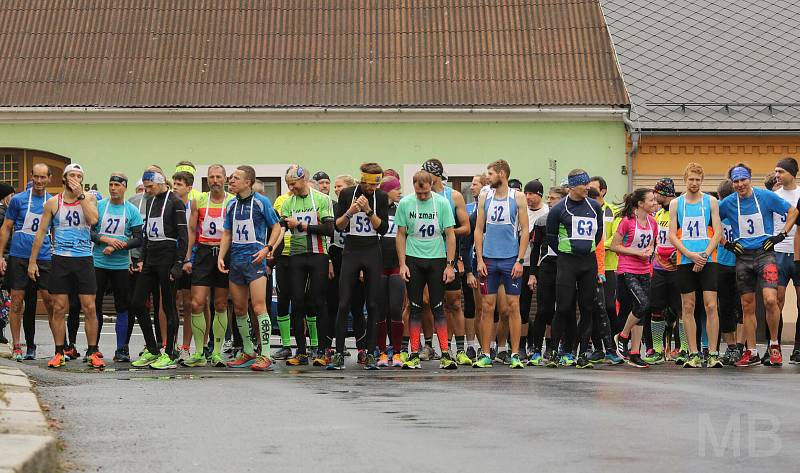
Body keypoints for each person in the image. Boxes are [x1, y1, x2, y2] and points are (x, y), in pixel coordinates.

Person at [719, 163, 797, 367]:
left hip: (766, 254)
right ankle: (751, 350)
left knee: (771, 300)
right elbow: (710, 222)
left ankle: (774, 345)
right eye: (735, 181)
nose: (739, 184)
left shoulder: (765, 196)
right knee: (747, 304)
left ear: (749, 178)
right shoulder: (727, 203)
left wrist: (780, 235)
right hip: (743, 257)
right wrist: (726, 243)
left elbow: (793, 212)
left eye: (743, 180)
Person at [28, 163, 102, 368]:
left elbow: (94, 220)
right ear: (64, 179)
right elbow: (41, 232)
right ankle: (59, 351)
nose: (75, 179)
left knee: (89, 307)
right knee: (59, 307)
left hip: (84, 259)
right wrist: (33, 261)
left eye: (79, 176)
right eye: (71, 175)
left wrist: (80, 197)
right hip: (60, 259)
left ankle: (93, 351)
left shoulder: (89, 198)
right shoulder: (53, 202)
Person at [219, 165, 283, 371]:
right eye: (231, 177)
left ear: (248, 182)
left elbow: (276, 227)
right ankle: (247, 351)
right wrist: (221, 256)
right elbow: (227, 233)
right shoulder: (230, 204)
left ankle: (265, 354)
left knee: (258, 307)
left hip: (255, 261)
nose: (231, 180)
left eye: (236, 178)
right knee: (239, 308)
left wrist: (268, 249)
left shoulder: (261, 202)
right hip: (236, 261)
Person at [328, 163, 389, 370]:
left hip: (372, 250)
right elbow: (337, 226)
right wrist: (351, 211)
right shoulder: (347, 194)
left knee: (372, 304)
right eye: (368, 184)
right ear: (362, 180)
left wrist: (369, 211)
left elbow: (383, 229)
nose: (371, 188)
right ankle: (338, 353)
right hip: (351, 250)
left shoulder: (380, 197)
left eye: (375, 185)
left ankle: (371, 352)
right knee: (343, 303)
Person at [395, 170, 457, 369]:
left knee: (439, 307)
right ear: (413, 186)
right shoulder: (405, 203)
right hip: (414, 259)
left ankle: (446, 353)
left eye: (425, 193)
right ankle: (413, 353)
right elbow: (401, 234)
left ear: (431, 185)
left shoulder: (441, 202)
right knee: (415, 307)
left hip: (437, 259)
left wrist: (450, 265)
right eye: (418, 193)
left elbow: (450, 234)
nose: (422, 196)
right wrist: (402, 263)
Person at [128, 169, 188, 369]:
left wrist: (179, 263)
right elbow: (146, 233)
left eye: (150, 187)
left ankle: (170, 353)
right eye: (145, 187)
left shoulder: (175, 202)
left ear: (161, 183)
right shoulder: (150, 200)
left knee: (168, 306)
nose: (147, 190)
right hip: (151, 255)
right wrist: (142, 259)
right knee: (137, 302)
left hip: (168, 254)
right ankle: (153, 349)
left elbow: (183, 235)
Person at [473, 159, 529, 369]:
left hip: (510, 259)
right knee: (487, 307)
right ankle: (486, 352)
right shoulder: (485, 195)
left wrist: (520, 260)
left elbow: (525, 230)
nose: (487, 177)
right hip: (489, 258)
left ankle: (515, 353)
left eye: (490, 173)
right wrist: (479, 259)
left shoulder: (518, 197)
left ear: (502, 174)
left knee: (512, 306)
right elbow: (479, 229)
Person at [666, 163, 723, 368]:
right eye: (691, 179)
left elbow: (718, 231)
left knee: (711, 305)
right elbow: (672, 234)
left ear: (702, 181)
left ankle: (714, 352)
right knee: (687, 306)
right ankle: (693, 352)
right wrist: (690, 254)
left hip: (708, 259)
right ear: (685, 179)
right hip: (685, 260)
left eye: (698, 180)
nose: (694, 183)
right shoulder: (676, 204)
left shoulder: (711, 201)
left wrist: (705, 255)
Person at [545, 169, 603, 369]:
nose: (588, 187)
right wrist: (566, 251)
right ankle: (554, 351)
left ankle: (582, 354)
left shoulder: (595, 206)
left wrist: (585, 249)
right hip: (567, 262)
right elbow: (551, 237)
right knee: (563, 307)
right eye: (583, 184)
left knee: (587, 308)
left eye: (588, 183)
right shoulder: (558, 209)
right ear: (572, 186)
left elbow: (598, 234)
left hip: (588, 262)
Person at [279, 165, 334, 366]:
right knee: (298, 302)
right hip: (296, 255)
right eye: (288, 184)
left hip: (318, 254)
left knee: (319, 302)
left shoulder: (321, 199)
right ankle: (301, 351)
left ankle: (321, 350)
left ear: (304, 180)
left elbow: (329, 229)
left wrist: (302, 226)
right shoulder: (287, 203)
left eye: (293, 184)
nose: (291, 188)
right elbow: (280, 229)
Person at [0, 165, 55, 362]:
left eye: (43, 177)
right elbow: (6, 228)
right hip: (19, 256)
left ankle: (59, 347)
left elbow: (58, 228)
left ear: (49, 178)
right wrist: (0, 256)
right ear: (31, 177)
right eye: (36, 177)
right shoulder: (18, 200)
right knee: (16, 301)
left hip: (44, 257)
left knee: (50, 300)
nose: (39, 181)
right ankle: (17, 346)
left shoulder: (53, 201)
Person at [182, 164, 235, 367]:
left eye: (218, 176)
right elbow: (192, 230)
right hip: (203, 252)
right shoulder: (199, 200)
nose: (215, 180)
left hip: (224, 254)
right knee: (197, 303)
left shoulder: (232, 201)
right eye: (211, 177)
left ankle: (217, 352)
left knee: (220, 304)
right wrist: (188, 257)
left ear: (225, 179)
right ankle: (199, 351)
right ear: (207, 180)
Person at [423, 159, 472, 365]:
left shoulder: (453, 195)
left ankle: (459, 348)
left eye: (427, 175)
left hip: (447, 257)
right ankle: (429, 345)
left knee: (453, 304)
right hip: (425, 257)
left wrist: (447, 231)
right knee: (426, 303)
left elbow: (466, 227)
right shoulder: (419, 197)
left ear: (436, 176)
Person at [91, 173, 143, 362]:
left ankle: (121, 348)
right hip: (98, 262)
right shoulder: (100, 206)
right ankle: (93, 347)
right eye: (111, 184)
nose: (113, 188)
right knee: (94, 305)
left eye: (117, 185)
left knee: (123, 306)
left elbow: (139, 238)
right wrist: (104, 240)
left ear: (125, 187)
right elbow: (89, 231)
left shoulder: (131, 210)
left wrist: (119, 245)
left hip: (121, 265)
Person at [611, 189, 658, 368]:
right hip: (627, 270)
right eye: (651, 200)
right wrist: (636, 252)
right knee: (643, 304)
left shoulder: (652, 222)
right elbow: (615, 246)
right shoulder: (627, 222)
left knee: (642, 311)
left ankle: (635, 352)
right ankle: (622, 336)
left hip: (645, 270)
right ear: (640, 203)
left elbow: (652, 243)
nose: (654, 203)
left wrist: (649, 252)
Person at [643, 178, 685, 364]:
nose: (654, 196)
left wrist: (680, 253)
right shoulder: (658, 214)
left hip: (677, 268)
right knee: (656, 309)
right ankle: (658, 350)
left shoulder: (679, 212)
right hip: (659, 268)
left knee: (682, 309)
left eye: (656, 193)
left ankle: (683, 348)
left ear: (665, 193)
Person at [527, 186, 568, 365]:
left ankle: (556, 348)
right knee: (544, 309)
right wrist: (532, 274)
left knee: (563, 309)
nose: (549, 201)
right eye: (549, 198)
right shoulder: (542, 221)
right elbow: (535, 250)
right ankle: (537, 349)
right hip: (546, 266)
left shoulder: (569, 220)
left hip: (566, 267)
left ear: (564, 200)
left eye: (554, 198)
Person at [770, 158, 800, 362]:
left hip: (797, 252)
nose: (777, 175)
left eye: (781, 171)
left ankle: (797, 347)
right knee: (775, 301)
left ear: (792, 173)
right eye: (776, 171)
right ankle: (775, 346)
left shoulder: (799, 195)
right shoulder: (773, 196)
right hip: (778, 252)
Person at [376, 176, 405, 367]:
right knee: (380, 310)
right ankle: (381, 352)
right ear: (387, 191)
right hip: (378, 265)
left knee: (395, 308)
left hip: (396, 264)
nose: (400, 192)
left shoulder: (400, 209)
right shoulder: (377, 209)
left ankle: (397, 351)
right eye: (396, 189)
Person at [715, 179, 744, 365]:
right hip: (729, 262)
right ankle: (736, 347)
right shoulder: (718, 207)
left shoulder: (739, 207)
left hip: (731, 263)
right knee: (737, 308)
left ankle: (735, 347)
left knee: (731, 308)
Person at [520, 180, 548, 358]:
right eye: (526, 194)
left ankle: (543, 346)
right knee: (522, 308)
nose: (528, 197)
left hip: (542, 265)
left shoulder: (548, 213)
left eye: (531, 194)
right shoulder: (521, 212)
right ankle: (522, 345)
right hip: (523, 264)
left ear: (539, 194)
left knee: (544, 308)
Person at [171, 171, 195, 363]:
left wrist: (189, 258)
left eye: (180, 184)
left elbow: (194, 232)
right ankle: (170, 344)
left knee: (189, 304)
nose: (175, 187)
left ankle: (187, 347)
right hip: (171, 258)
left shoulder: (192, 206)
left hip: (188, 260)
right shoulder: (168, 204)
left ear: (189, 188)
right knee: (171, 302)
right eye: (174, 183)